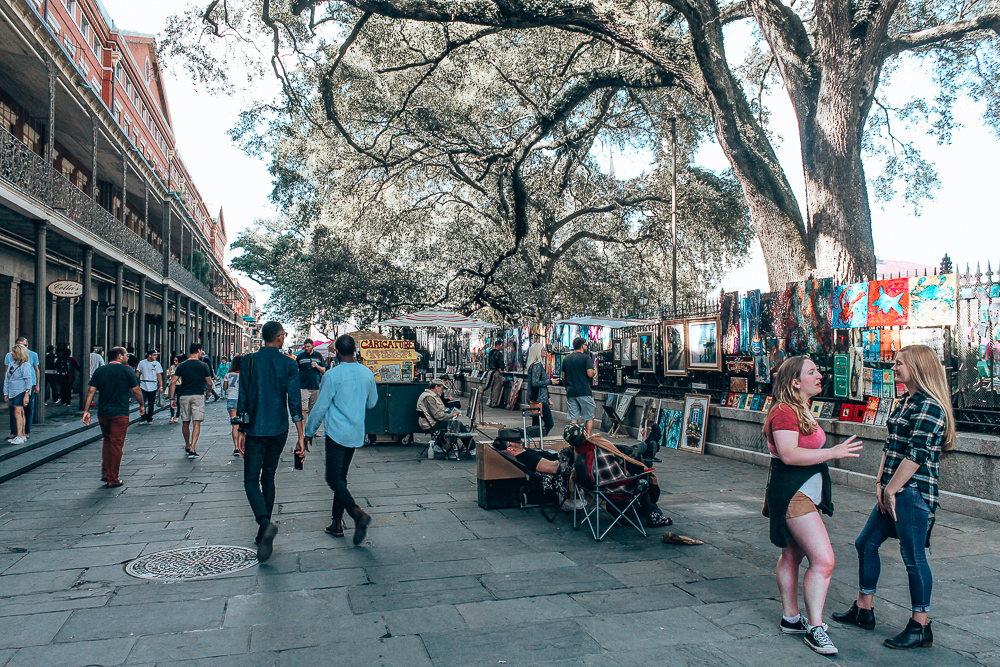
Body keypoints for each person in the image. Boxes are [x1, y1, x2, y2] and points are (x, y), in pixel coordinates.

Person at [833, 345, 954, 650]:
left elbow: (916, 456)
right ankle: (863, 609)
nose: (894, 367)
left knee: (913, 558)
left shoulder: (930, 406)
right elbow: (891, 446)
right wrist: (879, 482)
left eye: (899, 364)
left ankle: (920, 626)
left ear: (919, 367)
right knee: (866, 543)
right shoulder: (904, 401)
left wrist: (891, 489)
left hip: (912, 493)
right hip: (892, 490)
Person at [763, 356, 863, 656]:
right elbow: (789, 455)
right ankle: (815, 629)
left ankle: (791, 619)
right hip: (794, 494)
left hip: (802, 493)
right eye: (812, 372)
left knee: (792, 554)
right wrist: (833, 452)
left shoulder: (799, 408)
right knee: (824, 560)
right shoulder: (784, 412)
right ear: (795, 381)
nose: (820, 375)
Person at [237, 321, 305, 562]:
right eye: (284, 335)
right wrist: (301, 437)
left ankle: (265, 524)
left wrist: (241, 430)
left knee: (250, 480)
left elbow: (243, 398)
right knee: (268, 477)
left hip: (255, 428)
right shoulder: (288, 363)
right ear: (278, 338)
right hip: (278, 428)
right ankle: (262, 531)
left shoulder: (249, 361)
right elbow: (295, 402)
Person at [305, 334, 377, 545]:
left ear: (336, 352)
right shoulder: (367, 374)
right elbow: (372, 403)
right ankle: (336, 522)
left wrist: (309, 431)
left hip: (336, 432)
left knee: (332, 478)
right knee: (341, 477)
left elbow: (321, 406)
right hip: (355, 431)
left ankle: (356, 513)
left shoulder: (332, 375)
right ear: (355, 350)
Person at [82, 347, 143, 488]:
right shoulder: (127, 370)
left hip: (103, 412)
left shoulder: (100, 371)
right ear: (119, 356)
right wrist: (142, 404)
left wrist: (86, 410)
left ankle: (105, 472)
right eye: (126, 355)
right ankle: (112, 478)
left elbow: (91, 391)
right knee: (116, 445)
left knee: (107, 441)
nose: (128, 357)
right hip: (120, 412)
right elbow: (135, 390)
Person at [169, 343, 213, 458]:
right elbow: (209, 382)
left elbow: (173, 382)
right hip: (198, 395)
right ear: (198, 350)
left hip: (184, 395)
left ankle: (187, 445)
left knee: (185, 421)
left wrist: (172, 398)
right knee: (196, 421)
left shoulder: (182, 366)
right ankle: (193, 448)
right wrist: (208, 392)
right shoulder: (203, 365)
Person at [5, 337, 39, 441]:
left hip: (23, 388)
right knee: (17, 411)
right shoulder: (11, 361)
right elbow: (7, 375)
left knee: (21, 410)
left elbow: (33, 373)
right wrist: (6, 390)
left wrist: (35, 385)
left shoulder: (30, 358)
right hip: (13, 389)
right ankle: (18, 433)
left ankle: (22, 433)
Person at [561, 337, 596, 436]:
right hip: (584, 391)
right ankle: (588, 437)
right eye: (585, 345)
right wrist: (594, 371)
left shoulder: (566, 358)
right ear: (582, 346)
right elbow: (590, 374)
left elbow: (563, 377)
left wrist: (566, 387)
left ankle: (573, 439)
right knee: (589, 416)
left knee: (574, 418)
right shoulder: (586, 358)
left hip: (571, 391)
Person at [296, 339, 326, 453]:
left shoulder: (318, 356)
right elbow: (296, 369)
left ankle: (312, 431)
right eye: (305, 346)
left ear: (312, 346)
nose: (306, 348)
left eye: (308, 346)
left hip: (315, 386)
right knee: (303, 410)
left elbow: (324, 370)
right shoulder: (300, 357)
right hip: (303, 386)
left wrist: (317, 366)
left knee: (313, 411)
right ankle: (303, 432)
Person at [526, 343, 559, 437]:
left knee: (536, 423)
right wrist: (550, 382)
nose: (546, 351)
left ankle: (534, 440)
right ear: (537, 352)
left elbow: (540, 384)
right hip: (539, 399)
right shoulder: (537, 365)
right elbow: (535, 382)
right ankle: (538, 438)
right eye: (543, 350)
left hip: (539, 398)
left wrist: (549, 399)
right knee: (549, 423)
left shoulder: (535, 365)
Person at [135, 350, 163, 424]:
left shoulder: (157, 364)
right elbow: (137, 372)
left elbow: (159, 375)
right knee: (142, 402)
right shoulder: (142, 363)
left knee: (151, 403)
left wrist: (161, 386)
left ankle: (149, 417)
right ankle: (143, 417)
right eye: (154, 355)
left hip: (153, 385)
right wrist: (134, 383)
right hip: (143, 384)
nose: (156, 356)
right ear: (149, 355)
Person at [223, 354, 243, 457]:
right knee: (243, 424)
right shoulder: (243, 373)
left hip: (231, 399)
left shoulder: (228, 374)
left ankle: (236, 447)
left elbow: (224, 388)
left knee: (235, 424)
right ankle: (242, 445)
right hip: (242, 400)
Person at [484, 340, 505, 407]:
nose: (501, 347)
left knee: (491, 387)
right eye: (501, 345)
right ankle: (494, 403)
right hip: (496, 372)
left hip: (490, 372)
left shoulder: (491, 352)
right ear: (498, 345)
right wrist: (500, 369)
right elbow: (499, 362)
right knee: (496, 388)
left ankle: (490, 401)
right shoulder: (499, 353)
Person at [165, 354, 180, 423]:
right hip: (172, 384)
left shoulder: (181, 367)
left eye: (176, 360)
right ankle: (172, 415)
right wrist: (169, 375)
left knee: (179, 401)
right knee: (172, 399)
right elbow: (168, 376)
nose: (175, 362)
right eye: (174, 360)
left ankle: (177, 415)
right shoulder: (172, 367)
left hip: (180, 384)